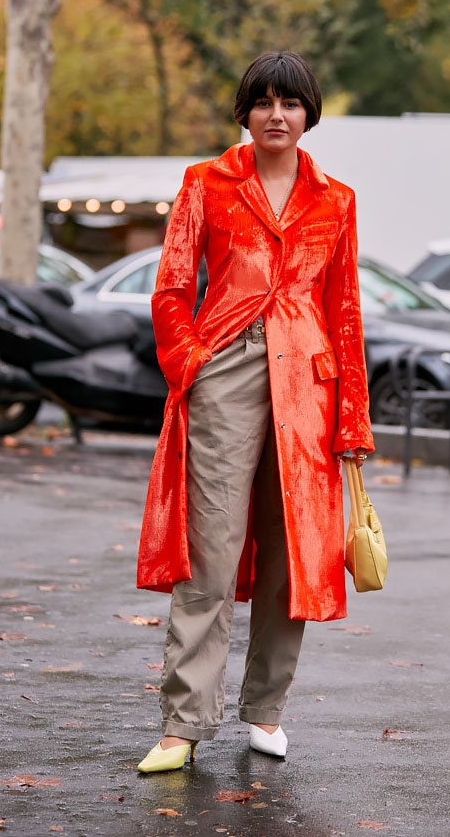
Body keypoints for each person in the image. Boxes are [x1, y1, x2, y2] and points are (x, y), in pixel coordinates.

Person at [136, 50, 374, 773]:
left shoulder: (336, 198)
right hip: (226, 371)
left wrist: (353, 420)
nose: (278, 115)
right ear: (245, 110)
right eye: (265, 101)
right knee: (209, 550)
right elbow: (172, 287)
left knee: (290, 558)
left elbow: (346, 312)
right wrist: (191, 363)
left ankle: (266, 710)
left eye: (292, 103)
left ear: (309, 114)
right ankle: (183, 723)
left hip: (308, 383)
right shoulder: (206, 183)